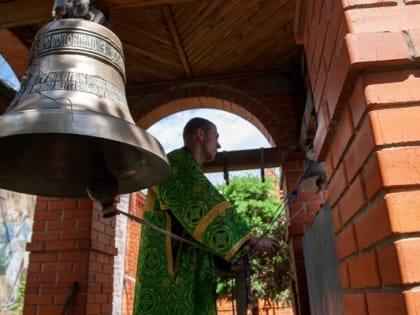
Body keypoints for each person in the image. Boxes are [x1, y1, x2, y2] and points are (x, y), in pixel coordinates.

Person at [133, 117, 279, 315]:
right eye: (216, 136)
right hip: (171, 270)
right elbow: (206, 204)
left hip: (188, 266)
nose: (219, 143)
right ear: (200, 135)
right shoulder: (176, 163)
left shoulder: (188, 168)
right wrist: (250, 239)